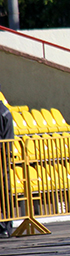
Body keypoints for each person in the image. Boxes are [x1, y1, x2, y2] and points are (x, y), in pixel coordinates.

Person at [0, 98, 15, 239]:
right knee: (5, 191)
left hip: (1, 156)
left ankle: (5, 226)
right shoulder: (4, 111)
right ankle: (7, 225)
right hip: (4, 156)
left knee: (4, 191)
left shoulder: (1, 112)